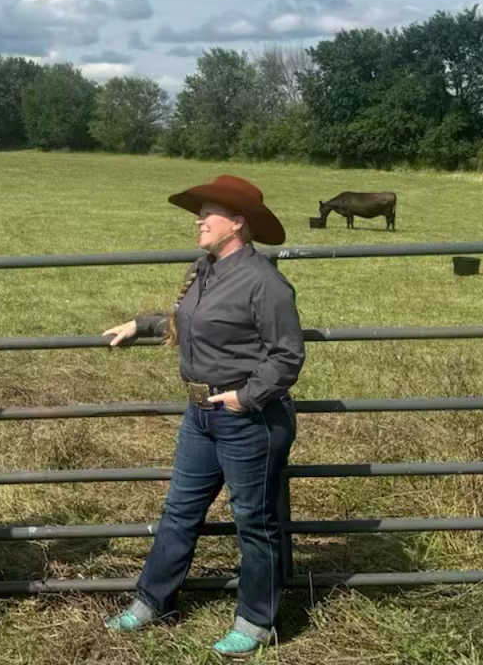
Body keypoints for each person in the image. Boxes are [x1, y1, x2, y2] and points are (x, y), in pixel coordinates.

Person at [101, 174, 306, 658]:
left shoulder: (265, 282)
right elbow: (186, 320)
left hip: (248, 419)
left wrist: (244, 397)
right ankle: (154, 601)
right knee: (180, 511)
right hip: (200, 416)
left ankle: (256, 621)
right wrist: (142, 323)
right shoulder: (205, 269)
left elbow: (287, 356)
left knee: (254, 521)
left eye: (208, 214)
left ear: (237, 223)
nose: (199, 221)